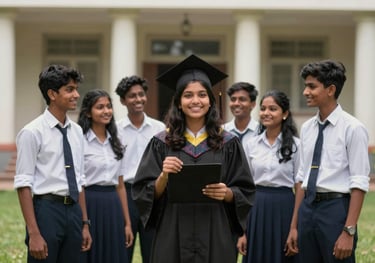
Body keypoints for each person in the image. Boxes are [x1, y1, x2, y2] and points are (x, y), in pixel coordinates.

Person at [132, 54, 255, 263]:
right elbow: (142, 192)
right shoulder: (162, 143)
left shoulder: (229, 143)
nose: (196, 101)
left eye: (202, 95)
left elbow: (245, 190)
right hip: (173, 230)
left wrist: (227, 193)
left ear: (210, 101)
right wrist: (163, 176)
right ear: (179, 102)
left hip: (215, 230)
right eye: (188, 95)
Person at [286, 60, 370, 262]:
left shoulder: (353, 129)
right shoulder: (307, 128)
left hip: (335, 210)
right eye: (306, 85)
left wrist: (348, 231)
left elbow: (359, 182)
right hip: (307, 209)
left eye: (312, 86)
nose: (305, 91)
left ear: (331, 89)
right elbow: (301, 178)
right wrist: (294, 226)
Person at [14, 64, 92, 263]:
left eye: (76, 89)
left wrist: (84, 224)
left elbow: (80, 179)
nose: (76, 94)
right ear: (52, 94)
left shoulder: (76, 132)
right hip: (47, 211)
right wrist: (34, 234)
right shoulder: (32, 132)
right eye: (69, 89)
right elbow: (23, 184)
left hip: (74, 211)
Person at [237, 90, 300, 263]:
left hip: (284, 207)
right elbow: (244, 187)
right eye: (263, 108)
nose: (266, 113)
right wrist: (242, 231)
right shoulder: (250, 144)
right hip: (255, 208)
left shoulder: (296, 146)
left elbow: (299, 187)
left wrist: (294, 227)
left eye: (273, 109)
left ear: (285, 114)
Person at [78, 89, 134, 263]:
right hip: (90, 202)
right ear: (88, 112)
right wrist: (84, 222)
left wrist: (127, 223)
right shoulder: (80, 140)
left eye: (109, 107)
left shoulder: (116, 140)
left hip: (113, 205)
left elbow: (120, 185)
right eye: (100, 107)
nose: (106, 111)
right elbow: (79, 184)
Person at [115, 75, 165, 263]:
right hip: (124, 193)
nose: (138, 99)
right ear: (122, 100)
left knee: (153, 251)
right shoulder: (115, 130)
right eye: (132, 96)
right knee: (122, 250)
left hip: (151, 193)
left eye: (141, 94)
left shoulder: (159, 128)